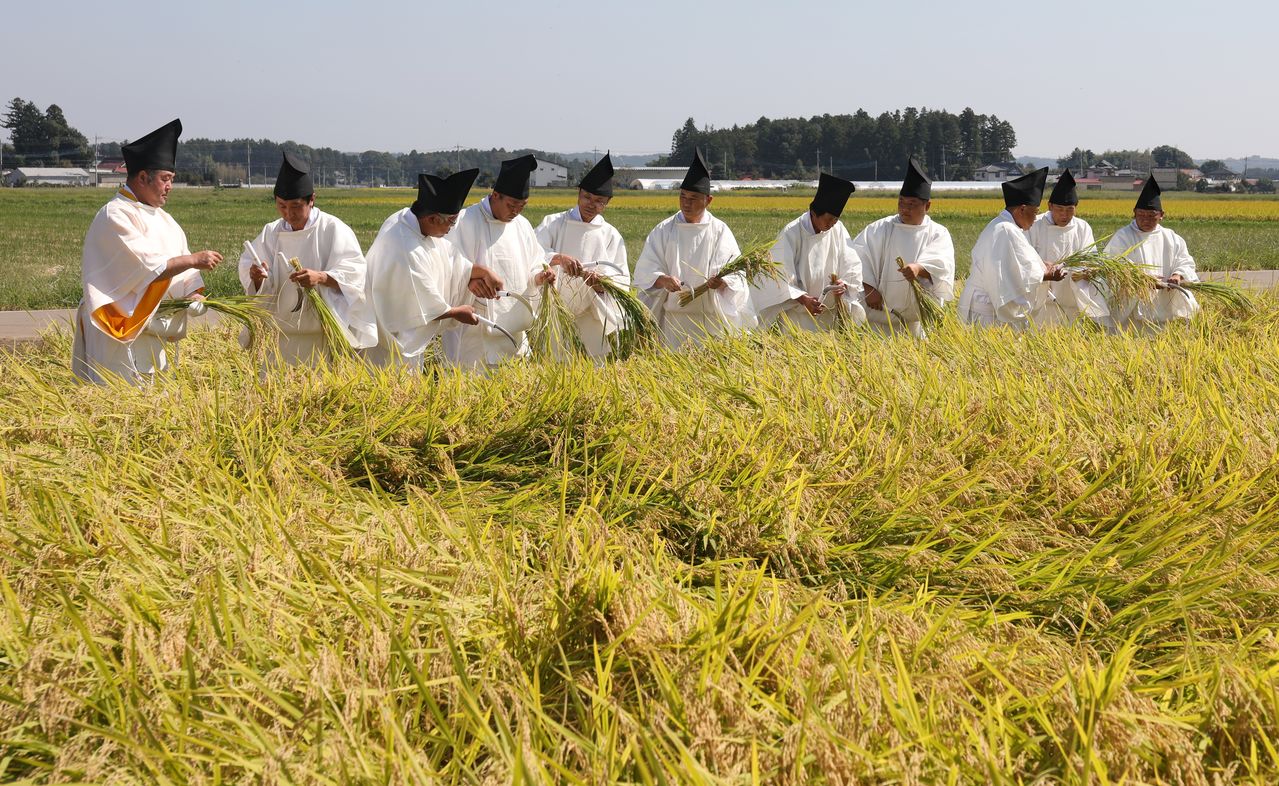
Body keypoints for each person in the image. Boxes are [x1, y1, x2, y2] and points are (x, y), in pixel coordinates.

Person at [72, 118, 221, 384]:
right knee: (117, 403)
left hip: (154, 333)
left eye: (171, 179)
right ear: (143, 177)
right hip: (118, 334)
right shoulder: (116, 215)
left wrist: (194, 295)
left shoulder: (166, 220)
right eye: (165, 179)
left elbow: (184, 276)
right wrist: (193, 260)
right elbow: (148, 267)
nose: (170, 187)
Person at [238, 152, 377, 365]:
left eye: (295, 206)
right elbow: (252, 267)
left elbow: (355, 274)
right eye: (282, 206)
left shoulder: (332, 229)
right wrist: (257, 277)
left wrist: (321, 277)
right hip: (280, 334)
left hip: (321, 333)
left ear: (311, 200)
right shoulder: (270, 232)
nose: (288, 214)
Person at [364, 169, 507, 370]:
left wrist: (481, 272)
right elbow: (419, 300)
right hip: (391, 345)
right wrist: (456, 312)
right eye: (451, 221)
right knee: (395, 389)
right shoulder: (404, 247)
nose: (452, 227)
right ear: (432, 219)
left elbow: (447, 259)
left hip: (407, 341)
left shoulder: (409, 221)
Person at [633, 150, 754, 349]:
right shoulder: (664, 230)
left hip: (710, 322)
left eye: (693, 198)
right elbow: (645, 270)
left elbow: (737, 275)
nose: (686, 203)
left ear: (708, 200)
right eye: (683, 196)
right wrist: (663, 279)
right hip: (673, 323)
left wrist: (721, 282)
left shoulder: (720, 231)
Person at [443, 154, 553, 368]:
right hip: (475, 330)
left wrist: (540, 276)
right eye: (512, 205)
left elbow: (533, 263)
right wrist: (469, 279)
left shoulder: (522, 225)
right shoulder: (466, 221)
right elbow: (446, 265)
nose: (516, 212)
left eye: (522, 206)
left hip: (514, 328)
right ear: (495, 195)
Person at [533, 153, 629, 358]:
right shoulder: (553, 223)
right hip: (555, 309)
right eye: (587, 197)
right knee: (553, 362)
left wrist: (599, 283)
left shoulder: (610, 235)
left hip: (591, 311)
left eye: (599, 201)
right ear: (579, 193)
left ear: (607, 203)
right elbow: (532, 253)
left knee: (596, 365)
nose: (591, 204)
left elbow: (621, 279)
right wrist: (559, 258)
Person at [853, 158, 955, 338]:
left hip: (918, 323)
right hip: (879, 322)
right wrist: (868, 289)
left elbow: (942, 265)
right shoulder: (879, 228)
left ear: (927, 206)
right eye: (901, 202)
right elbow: (855, 259)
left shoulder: (938, 233)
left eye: (912, 205)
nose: (905, 209)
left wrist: (919, 268)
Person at [752, 172, 865, 330]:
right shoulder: (792, 232)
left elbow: (851, 264)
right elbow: (779, 276)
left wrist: (843, 284)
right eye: (828, 219)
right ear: (814, 213)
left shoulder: (837, 229)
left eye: (835, 219)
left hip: (828, 316)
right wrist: (803, 298)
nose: (831, 224)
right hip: (798, 317)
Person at [958, 167, 1066, 329]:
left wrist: (1040, 265)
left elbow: (1013, 264)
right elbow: (1018, 275)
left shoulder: (1001, 225)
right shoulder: (1006, 230)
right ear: (1022, 209)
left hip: (983, 305)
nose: (1035, 218)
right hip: (987, 311)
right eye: (1035, 212)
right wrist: (1046, 273)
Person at [1104, 176, 1199, 329]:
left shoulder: (1172, 238)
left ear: (1161, 215)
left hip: (1165, 308)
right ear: (1134, 213)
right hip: (1132, 313)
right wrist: (1141, 279)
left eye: (1151, 216)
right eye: (1141, 215)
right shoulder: (1123, 237)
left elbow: (1185, 261)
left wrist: (1178, 275)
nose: (1146, 220)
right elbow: (1113, 266)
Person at [1027, 169, 1109, 328]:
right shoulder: (1035, 224)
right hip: (1042, 299)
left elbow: (1089, 258)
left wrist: (1087, 270)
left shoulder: (1082, 227)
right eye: (1059, 209)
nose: (1064, 215)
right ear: (1050, 206)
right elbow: (1024, 259)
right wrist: (1043, 267)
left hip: (1072, 299)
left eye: (1070, 209)